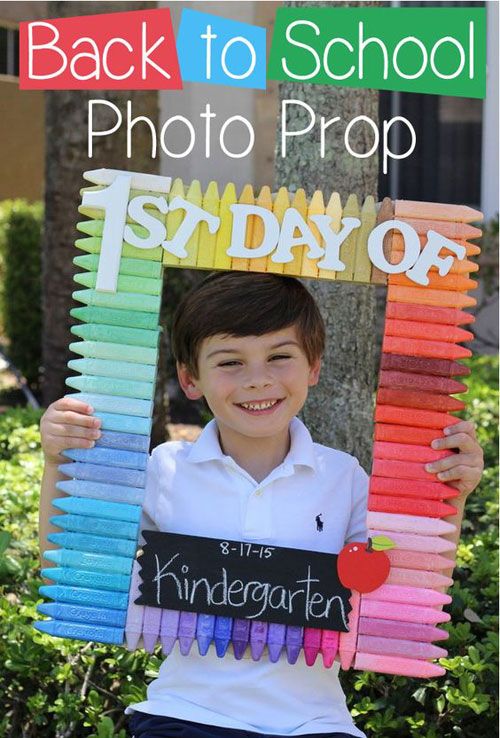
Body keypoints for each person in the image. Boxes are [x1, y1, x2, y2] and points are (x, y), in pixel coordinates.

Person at [39, 272, 484, 738]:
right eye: (231, 362)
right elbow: (68, 570)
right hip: (186, 715)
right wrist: (58, 462)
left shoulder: (344, 478)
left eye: (279, 357)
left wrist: (448, 498)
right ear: (190, 379)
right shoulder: (164, 470)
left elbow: (403, 588)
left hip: (318, 724)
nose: (258, 380)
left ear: (313, 367)